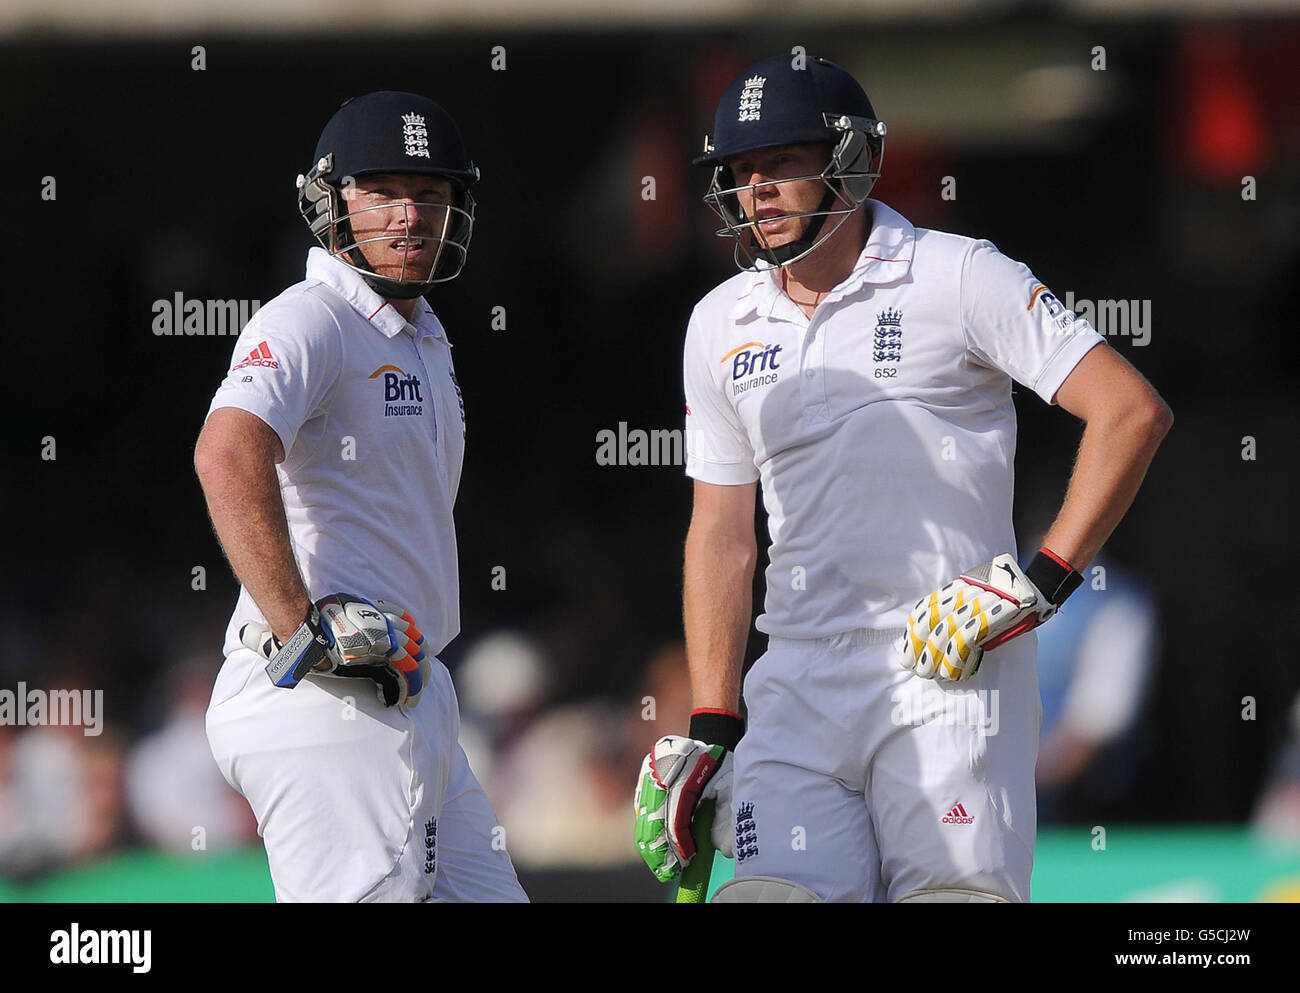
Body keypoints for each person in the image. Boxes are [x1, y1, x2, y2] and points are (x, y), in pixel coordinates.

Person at [633, 56, 1173, 902]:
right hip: (798, 677)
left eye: (781, 164)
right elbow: (721, 534)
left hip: (949, 662)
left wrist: (1037, 586)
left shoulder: (959, 273)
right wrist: (708, 723)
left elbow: (1130, 411)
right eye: (739, 173)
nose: (756, 192)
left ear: (848, 160)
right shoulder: (717, 323)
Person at [195, 91, 526, 902]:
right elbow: (227, 452)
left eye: (430, 193)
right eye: (380, 190)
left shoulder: (422, 335)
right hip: (327, 701)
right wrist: (299, 626)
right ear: (332, 201)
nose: (408, 215)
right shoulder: (313, 317)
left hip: (413, 692)